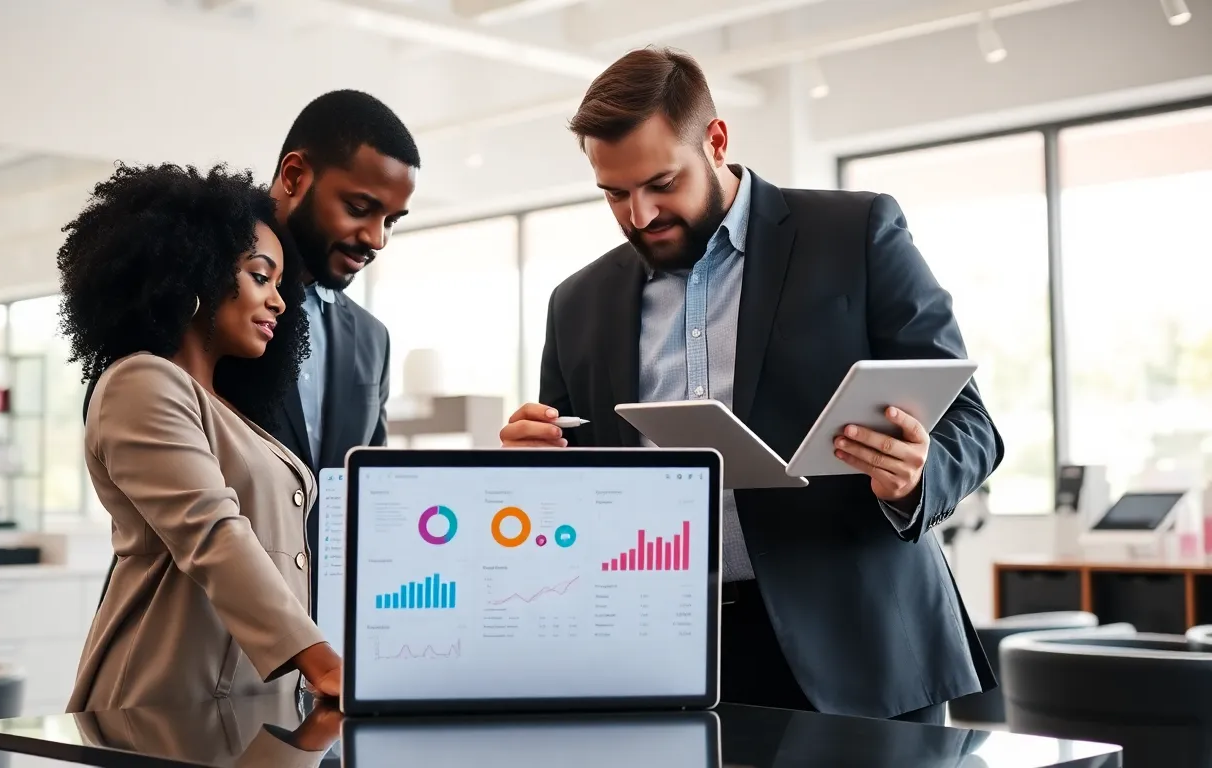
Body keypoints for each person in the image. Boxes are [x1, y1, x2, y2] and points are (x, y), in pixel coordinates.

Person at [500, 47, 1004, 724]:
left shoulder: (856, 234)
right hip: (663, 655)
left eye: (661, 183)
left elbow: (970, 423)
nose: (640, 214)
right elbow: (578, 500)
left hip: (860, 650)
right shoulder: (577, 303)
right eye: (615, 194)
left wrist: (916, 473)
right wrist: (535, 472)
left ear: (715, 140)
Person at [84, 90, 421, 612]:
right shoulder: (193, 313)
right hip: (190, 630)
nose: (376, 238)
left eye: (392, 220)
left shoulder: (372, 340)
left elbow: (363, 503)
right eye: (359, 208)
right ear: (293, 177)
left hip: (318, 646)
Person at [61, 162, 340, 711]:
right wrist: (323, 661)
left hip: (248, 709)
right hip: (160, 707)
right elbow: (214, 535)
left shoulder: (229, 412)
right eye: (261, 277)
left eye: (280, 284)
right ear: (196, 273)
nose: (280, 301)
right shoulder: (141, 383)